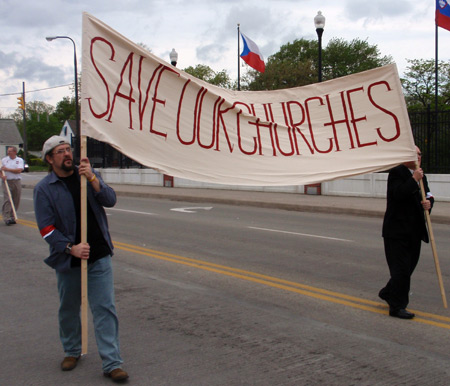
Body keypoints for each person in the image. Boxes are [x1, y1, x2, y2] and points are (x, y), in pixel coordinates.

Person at [33, 136, 128, 382]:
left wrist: (94, 179)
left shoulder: (86, 174)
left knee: (105, 308)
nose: (67, 154)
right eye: (60, 151)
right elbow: (46, 229)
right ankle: (72, 351)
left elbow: (110, 200)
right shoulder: (44, 188)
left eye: (68, 149)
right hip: (69, 258)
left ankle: (112, 362)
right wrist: (69, 247)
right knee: (68, 309)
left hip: (99, 254)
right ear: (49, 159)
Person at [379, 146, 434, 319]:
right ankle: (397, 307)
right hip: (397, 232)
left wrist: (429, 204)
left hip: (414, 232)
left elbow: (428, 195)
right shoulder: (397, 172)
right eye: (416, 153)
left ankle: (388, 292)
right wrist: (413, 179)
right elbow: (398, 194)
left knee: (407, 269)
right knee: (401, 270)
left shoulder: (420, 175)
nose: (419, 156)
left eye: (420, 153)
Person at [1, 146, 24, 225]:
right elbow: (0, 170)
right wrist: (2, 176)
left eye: (10, 151)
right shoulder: (4, 160)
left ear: (14, 152)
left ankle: (12, 217)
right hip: (6, 182)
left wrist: (7, 169)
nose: (8, 152)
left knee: (16, 199)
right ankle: (6, 217)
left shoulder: (19, 160)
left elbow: (19, 170)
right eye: (8, 151)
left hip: (16, 181)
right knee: (8, 199)